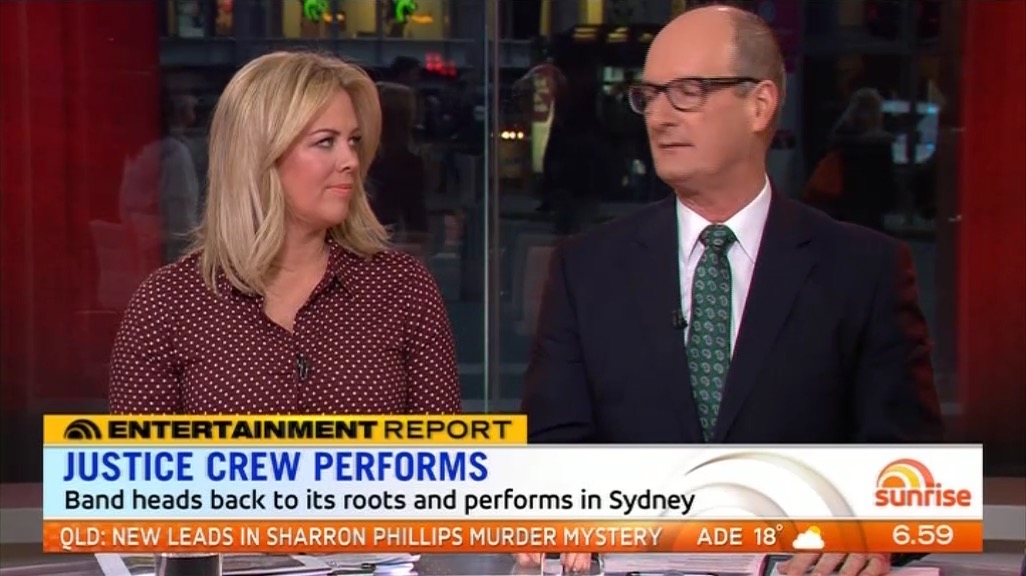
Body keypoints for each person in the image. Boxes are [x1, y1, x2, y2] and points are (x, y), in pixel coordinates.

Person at [517, 6, 942, 575]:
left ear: (759, 104)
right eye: (649, 95)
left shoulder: (864, 269)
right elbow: (550, 455)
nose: (659, 116)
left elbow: (913, 471)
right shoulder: (586, 269)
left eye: (688, 92)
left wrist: (872, 534)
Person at [108, 51, 461, 415]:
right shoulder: (167, 303)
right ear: (261, 155)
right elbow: (138, 451)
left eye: (354, 141)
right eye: (326, 141)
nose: (351, 161)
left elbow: (443, 446)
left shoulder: (402, 289)